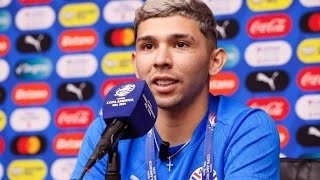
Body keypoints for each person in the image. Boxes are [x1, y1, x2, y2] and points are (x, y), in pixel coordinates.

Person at [71, 0, 280, 179]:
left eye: (180, 44)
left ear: (214, 61)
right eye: (148, 46)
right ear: (135, 64)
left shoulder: (247, 129)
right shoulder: (108, 131)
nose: (161, 60)